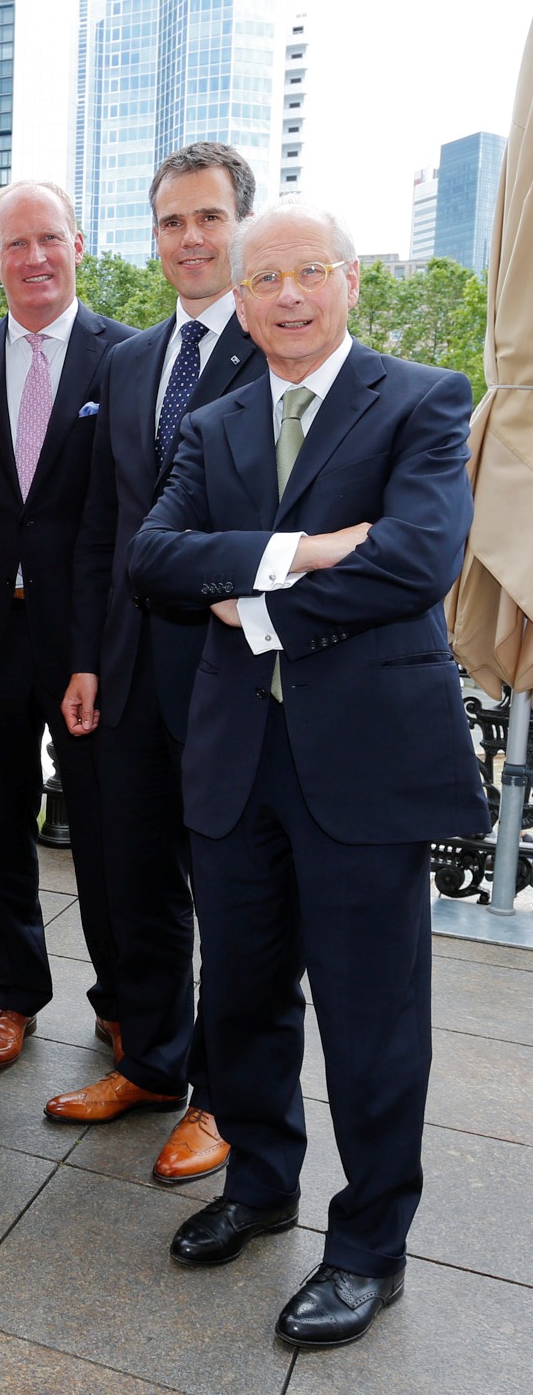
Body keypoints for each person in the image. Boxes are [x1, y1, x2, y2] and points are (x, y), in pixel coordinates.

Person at [129, 200, 488, 1348]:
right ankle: (261, 1180)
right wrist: (306, 549)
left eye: (309, 271)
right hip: (237, 759)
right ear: (240, 298)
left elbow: (419, 558)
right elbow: (153, 556)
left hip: (366, 764)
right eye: (265, 276)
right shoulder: (219, 419)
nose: (288, 294)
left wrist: (256, 606)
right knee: (240, 994)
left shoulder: (423, 399)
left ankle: (370, 1243)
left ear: (350, 282)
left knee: (375, 1015)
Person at [49, 143, 264, 1181]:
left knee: (232, 892)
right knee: (132, 880)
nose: (190, 238)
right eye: (173, 221)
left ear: (241, 227)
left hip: (234, 675)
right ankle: (153, 1059)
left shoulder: (277, 347)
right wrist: (88, 658)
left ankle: (225, 1096)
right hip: (128, 671)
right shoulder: (126, 360)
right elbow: (102, 526)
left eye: (209, 218)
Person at [0, 181, 135, 1074]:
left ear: (79, 246)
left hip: (88, 644)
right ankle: (16, 993)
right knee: (1, 826)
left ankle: (124, 999)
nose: (36, 257)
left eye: (51, 239)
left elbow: (132, 506)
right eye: (17, 244)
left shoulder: (129, 360)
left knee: (105, 828)